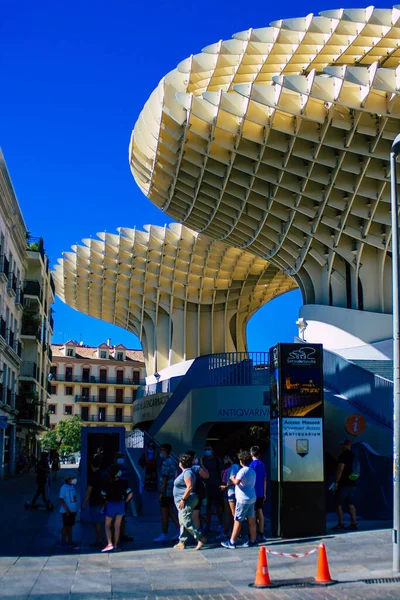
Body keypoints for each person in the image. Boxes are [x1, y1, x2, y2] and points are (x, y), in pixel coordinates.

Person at [222, 450, 257, 549]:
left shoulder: (242, 471)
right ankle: (253, 540)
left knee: (238, 520)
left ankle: (232, 541)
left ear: (241, 461)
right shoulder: (252, 471)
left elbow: (237, 482)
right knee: (251, 520)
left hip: (243, 499)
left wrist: (233, 478)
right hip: (252, 497)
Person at [173, 453, 207, 551]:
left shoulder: (187, 472)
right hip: (182, 500)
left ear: (181, 463)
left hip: (186, 500)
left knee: (186, 521)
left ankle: (200, 538)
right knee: (182, 521)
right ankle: (182, 541)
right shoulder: (186, 472)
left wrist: (183, 499)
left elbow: (190, 486)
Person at [101, 464, 133, 552]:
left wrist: (105, 501)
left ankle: (109, 543)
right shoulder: (123, 482)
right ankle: (116, 545)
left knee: (107, 525)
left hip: (111, 504)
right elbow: (130, 494)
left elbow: (103, 494)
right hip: (120, 505)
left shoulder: (107, 482)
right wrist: (125, 502)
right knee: (117, 526)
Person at [153, 443, 180, 543]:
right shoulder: (172, 461)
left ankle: (165, 533)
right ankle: (178, 530)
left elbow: (164, 477)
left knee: (165, 512)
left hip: (166, 491)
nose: (160, 452)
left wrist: (161, 491)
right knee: (170, 511)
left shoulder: (166, 462)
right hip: (171, 490)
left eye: (161, 450)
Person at [333, 438, 358, 530]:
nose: (341, 447)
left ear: (345, 445)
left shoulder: (343, 455)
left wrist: (336, 481)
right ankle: (354, 522)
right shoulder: (353, 455)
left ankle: (341, 523)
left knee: (338, 504)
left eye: (342, 445)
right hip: (352, 482)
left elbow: (340, 468)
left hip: (343, 483)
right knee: (351, 503)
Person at [81, 455, 104, 547]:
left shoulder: (93, 476)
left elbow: (88, 491)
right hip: (102, 500)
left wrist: (83, 504)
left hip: (94, 501)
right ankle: (100, 539)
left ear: (91, 465)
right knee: (100, 521)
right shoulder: (103, 474)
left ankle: (99, 539)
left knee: (96, 522)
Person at [202, 445, 224, 533]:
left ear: (212, 450)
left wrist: (223, 484)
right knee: (208, 506)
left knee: (218, 506)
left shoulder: (217, 460)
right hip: (207, 486)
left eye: (209, 449)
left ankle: (220, 524)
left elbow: (222, 472)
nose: (207, 451)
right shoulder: (203, 460)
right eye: (206, 449)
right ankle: (207, 524)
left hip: (216, 485)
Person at [219, 453, 240, 540]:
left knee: (233, 513)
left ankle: (238, 533)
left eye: (226, 457)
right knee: (228, 513)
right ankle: (226, 531)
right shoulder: (229, 468)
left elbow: (234, 481)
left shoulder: (234, 467)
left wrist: (226, 486)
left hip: (232, 492)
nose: (224, 459)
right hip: (228, 492)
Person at [186, 450, 209, 529]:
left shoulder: (182, 467)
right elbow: (206, 475)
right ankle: (197, 536)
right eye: (195, 457)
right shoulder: (196, 468)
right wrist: (202, 464)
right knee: (195, 515)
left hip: (185, 494)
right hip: (196, 493)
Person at [250, 446, 267, 542]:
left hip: (253, 492)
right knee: (260, 512)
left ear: (251, 454)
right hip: (260, 492)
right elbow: (265, 479)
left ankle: (253, 534)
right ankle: (261, 533)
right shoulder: (262, 464)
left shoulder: (251, 465)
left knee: (253, 514)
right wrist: (264, 492)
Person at [59, 474, 78, 547]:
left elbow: (74, 498)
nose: (73, 480)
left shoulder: (72, 487)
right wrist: (66, 509)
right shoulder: (63, 488)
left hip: (72, 510)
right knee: (66, 526)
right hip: (66, 511)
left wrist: (75, 509)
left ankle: (70, 540)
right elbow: (61, 499)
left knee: (70, 526)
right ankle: (63, 540)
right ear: (68, 479)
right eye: (72, 478)